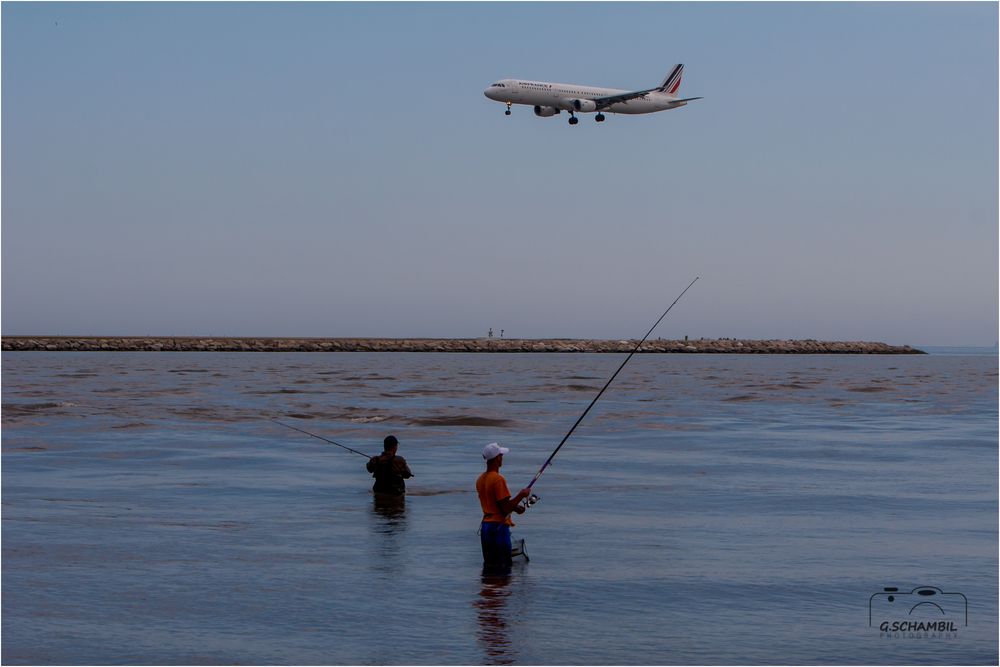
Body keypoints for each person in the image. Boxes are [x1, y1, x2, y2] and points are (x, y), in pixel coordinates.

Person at [476, 442, 531, 568]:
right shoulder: (498, 479)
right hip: (498, 528)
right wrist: (522, 495)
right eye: (501, 455)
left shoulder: (480, 479)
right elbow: (505, 508)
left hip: (486, 527)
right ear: (497, 458)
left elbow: (498, 504)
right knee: (503, 567)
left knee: (490, 566)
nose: (502, 458)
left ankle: (489, 588)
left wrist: (516, 508)